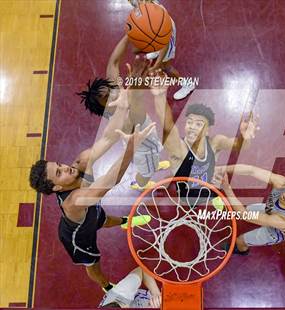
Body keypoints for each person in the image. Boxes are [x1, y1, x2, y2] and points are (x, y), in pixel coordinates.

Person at [29, 90, 155, 292]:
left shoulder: (79, 164)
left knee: (103, 219)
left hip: (91, 212)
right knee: (93, 263)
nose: (66, 167)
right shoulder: (76, 200)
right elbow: (109, 181)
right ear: (57, 187)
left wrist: (121, 107)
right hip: (79, 237)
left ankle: (125, 222)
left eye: (59, 164)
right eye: (59, 173)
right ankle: (106, 286)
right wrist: (130, 149)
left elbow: (106, 138)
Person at [77, 35, 169, 191]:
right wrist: (135, 83)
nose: (113, 93)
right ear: (104, 108)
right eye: (107, 97)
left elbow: (113, 61)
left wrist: (130, 34)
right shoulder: (119, 120)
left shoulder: (114, 89)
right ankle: (140, 183)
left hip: (147, 131)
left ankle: (153, 163)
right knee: (146, 169)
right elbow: (137, 110)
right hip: (142, 146)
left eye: (110, 89)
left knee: (154, 155)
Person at [150, 71, 258, 203]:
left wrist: (245, 138)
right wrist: (160, 96)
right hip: (187, 195)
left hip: (209, 187)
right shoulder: (179, 148)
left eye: (199, 124)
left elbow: (240, 146)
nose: (192, 127)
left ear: (207, 130)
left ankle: (212, 197)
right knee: (190, 203)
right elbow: (168, 126)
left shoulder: (215, 142)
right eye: (189, 122)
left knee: (217, 183)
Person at [219, 170, 285, 254]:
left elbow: (244, 215)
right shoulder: (284, 185)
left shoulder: (284, 221)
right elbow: (252, 171)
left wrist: (227, 188)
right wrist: (225, 168)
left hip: (273, 232)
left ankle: (241, 250)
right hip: (269, 211)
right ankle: (257, 220)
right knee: (246, 209)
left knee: (240, 240)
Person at [129, 0, 197, 100]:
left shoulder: (155, 16)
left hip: (166, 34)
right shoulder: (141, 4)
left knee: (166, 67)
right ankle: (157, 50)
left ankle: (188, 85)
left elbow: (164, 42)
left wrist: (157, 64)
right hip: (158, 30)